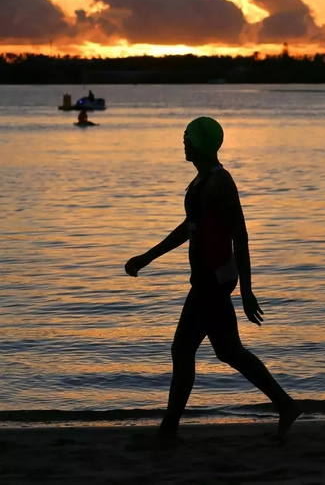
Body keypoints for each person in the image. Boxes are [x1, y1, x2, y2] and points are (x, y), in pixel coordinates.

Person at [124, 117, 301, 440]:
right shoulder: (202, 180)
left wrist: (247, 291)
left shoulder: (221, 182)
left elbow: (241, 236)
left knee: (187, 349)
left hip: (214, 280)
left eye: (188, 138)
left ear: (201, 144)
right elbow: (189, 227)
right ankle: (285, 404)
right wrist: (147, 257)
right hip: (207, 279)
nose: (184, 142)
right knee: (224, 350)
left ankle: (169, 430)